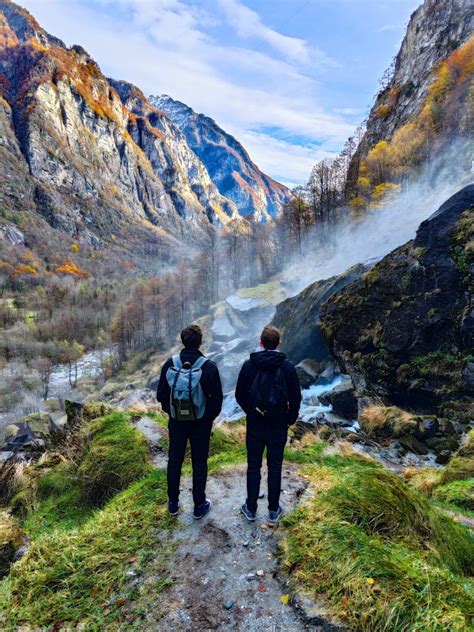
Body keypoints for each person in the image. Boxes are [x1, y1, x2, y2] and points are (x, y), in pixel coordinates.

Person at [235, 325, 301, 525]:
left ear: (261, 343)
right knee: (275, 467)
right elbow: (296, 398)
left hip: (255, 425)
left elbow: (239, 395)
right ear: (279, 343)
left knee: (253, 466)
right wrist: (288, 419)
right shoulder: (287, 366)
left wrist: (252, 412)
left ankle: (251, 508)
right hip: (278, 425)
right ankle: (273, 510)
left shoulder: (249, 365)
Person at [157, 324, 223, 519]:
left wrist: (172, 412)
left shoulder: (170, 364)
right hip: (200, 424)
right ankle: (199, 504)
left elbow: (161, 395)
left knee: (175, 461)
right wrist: (206, 419)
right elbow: (217, 400)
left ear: (183, 341)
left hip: (177, 422)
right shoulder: (208, 367)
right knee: (199, 463)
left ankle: (173, 503)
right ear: (200, 342)